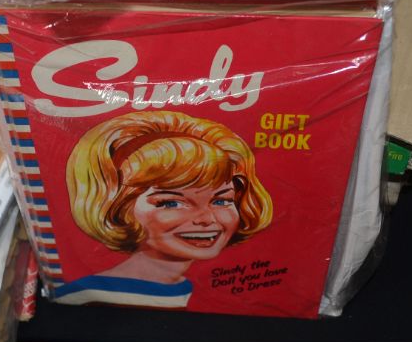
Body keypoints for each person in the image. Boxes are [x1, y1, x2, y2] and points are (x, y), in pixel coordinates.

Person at [52, 110, 272, 307]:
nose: (206, 219)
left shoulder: (197, 293)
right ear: (117, 208)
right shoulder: (88, 298)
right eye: (171, 203)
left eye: (221, 201)